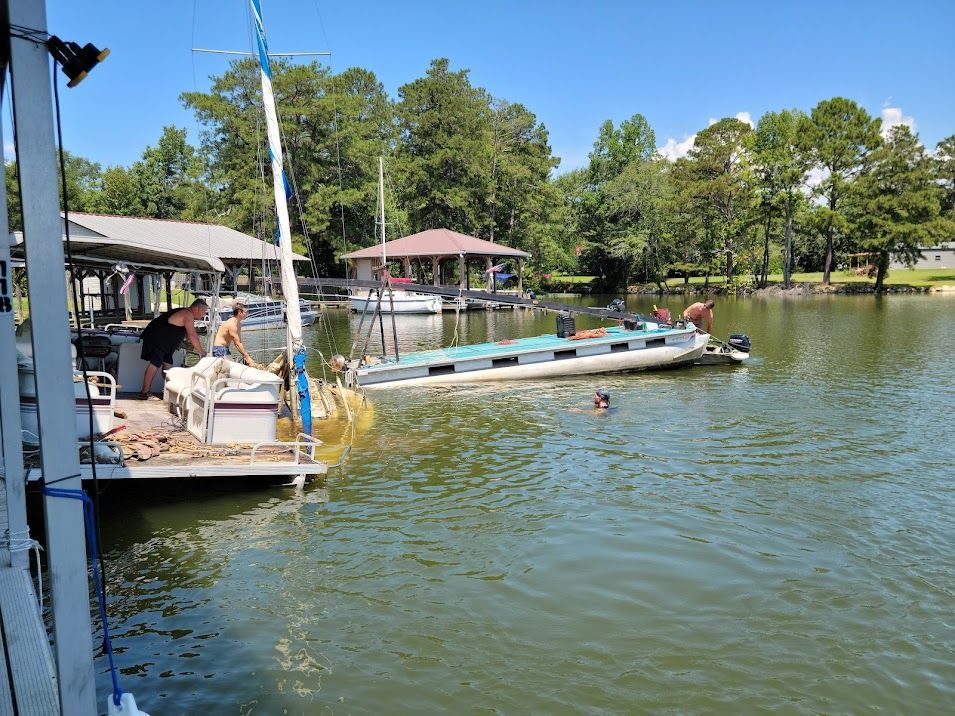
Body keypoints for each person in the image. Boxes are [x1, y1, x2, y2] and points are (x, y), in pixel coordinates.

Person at [137, 299, 208, 399]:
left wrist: (187, 344)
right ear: (198, 308)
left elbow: (188, 334)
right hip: (157, 340)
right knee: (155, 363)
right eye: (204, 311)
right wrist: (202, 352)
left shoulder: (186, 313)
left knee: (168, 365)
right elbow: (192, 335)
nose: (204, 314)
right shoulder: (187, 314)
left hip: (166, 344)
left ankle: (169, 390)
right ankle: (144, 392)